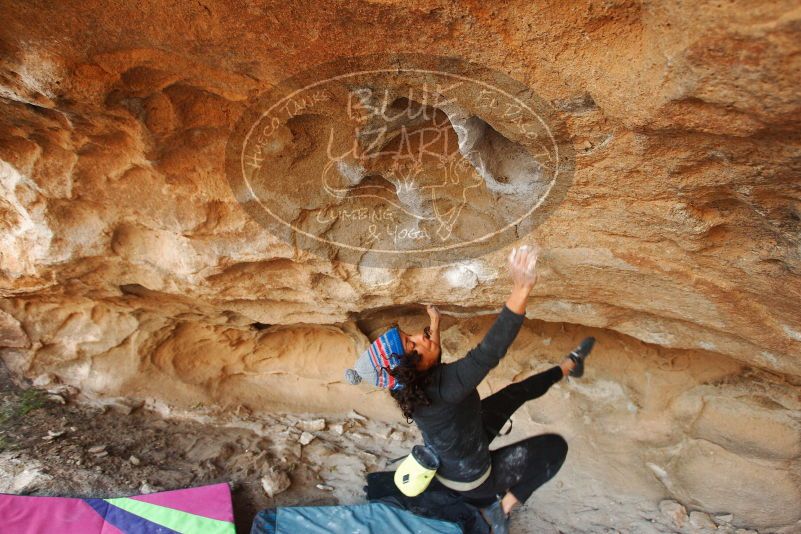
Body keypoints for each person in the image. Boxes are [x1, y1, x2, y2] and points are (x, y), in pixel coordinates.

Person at [345, 245, 595, 533]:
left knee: (516, 392)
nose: (419, 336)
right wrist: (522, 287)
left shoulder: (408, 386)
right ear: (410, 368)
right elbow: (489, 352)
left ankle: (568, 367)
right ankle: (500, 509)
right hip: (472, 479)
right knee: (555, 447)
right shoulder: (446, 387)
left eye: (410, 335)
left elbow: (429, 360)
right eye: (412, 344)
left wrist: (435, 325)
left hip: (465, 435)